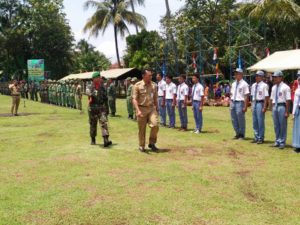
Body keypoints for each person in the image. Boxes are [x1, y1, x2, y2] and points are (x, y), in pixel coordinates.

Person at [132, 69, 159, 152]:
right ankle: (141, 145)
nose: (151, 77)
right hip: (141, 109)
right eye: (149, 75)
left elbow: (155, 98)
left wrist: (156, 107)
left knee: (155, 125)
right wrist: (138, 110)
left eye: (151, 75)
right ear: (143, 76)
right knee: (142, 129)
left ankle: (152, 143)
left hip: (151, 108)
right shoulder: (137, 85)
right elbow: (134, 99)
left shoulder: (154, 85)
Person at [86, 71, 112, 147]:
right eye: (98, 77)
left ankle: (106, 140)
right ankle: (93, 139)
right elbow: (88, 93)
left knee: (104, 123)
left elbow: (105, 98)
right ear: (94, 79)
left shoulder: (102, 86)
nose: (100, 79)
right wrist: (94, 91)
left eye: (99, 77)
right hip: (92, 108)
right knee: (93, 124)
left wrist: (107, 108)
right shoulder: (89, 86)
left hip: (101, 108)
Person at [270, 70, 291, 149]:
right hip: (275, 106)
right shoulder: (274, 87)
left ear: (281, 77)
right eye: (274, 77)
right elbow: (272, 98)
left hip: (282, 106)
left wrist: (287, 111)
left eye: (276, 77)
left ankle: (282, 141)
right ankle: (277, 140)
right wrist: (271, 108)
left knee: (282, 125)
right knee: (276, 125)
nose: (274, 79)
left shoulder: (286, 87)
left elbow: (288, 100)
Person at [230, 68, 250, 140]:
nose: (236, 75)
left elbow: (246, 95)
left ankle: (242, 134)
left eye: (237, 73)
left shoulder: (244, 84)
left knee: (240, 119)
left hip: (240, 102)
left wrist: (245, 106)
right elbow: (231, 93)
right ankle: (237, 133)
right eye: (235, 73)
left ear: (241, 74)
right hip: (233, 101)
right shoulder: (233, 83)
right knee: (233, 119)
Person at [250, 70, 269, 144]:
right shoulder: (254, 85)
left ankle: (261, 138)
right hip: (255, 102)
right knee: (254, 121)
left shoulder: (264, 85)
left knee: (260, 121)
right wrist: (252, 105)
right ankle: (256, 137)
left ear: (261, 77)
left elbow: (266, 97)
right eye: (256, 76)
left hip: (260, 103)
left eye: (258, 76)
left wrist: (264, 107)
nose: (256, 77)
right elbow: (252, 96)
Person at [292, 71, 300, 153]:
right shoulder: (297, 89)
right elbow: (295, 102)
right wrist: (294, 113)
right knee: (297, 129)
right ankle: (297, 146)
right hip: (298, 110)